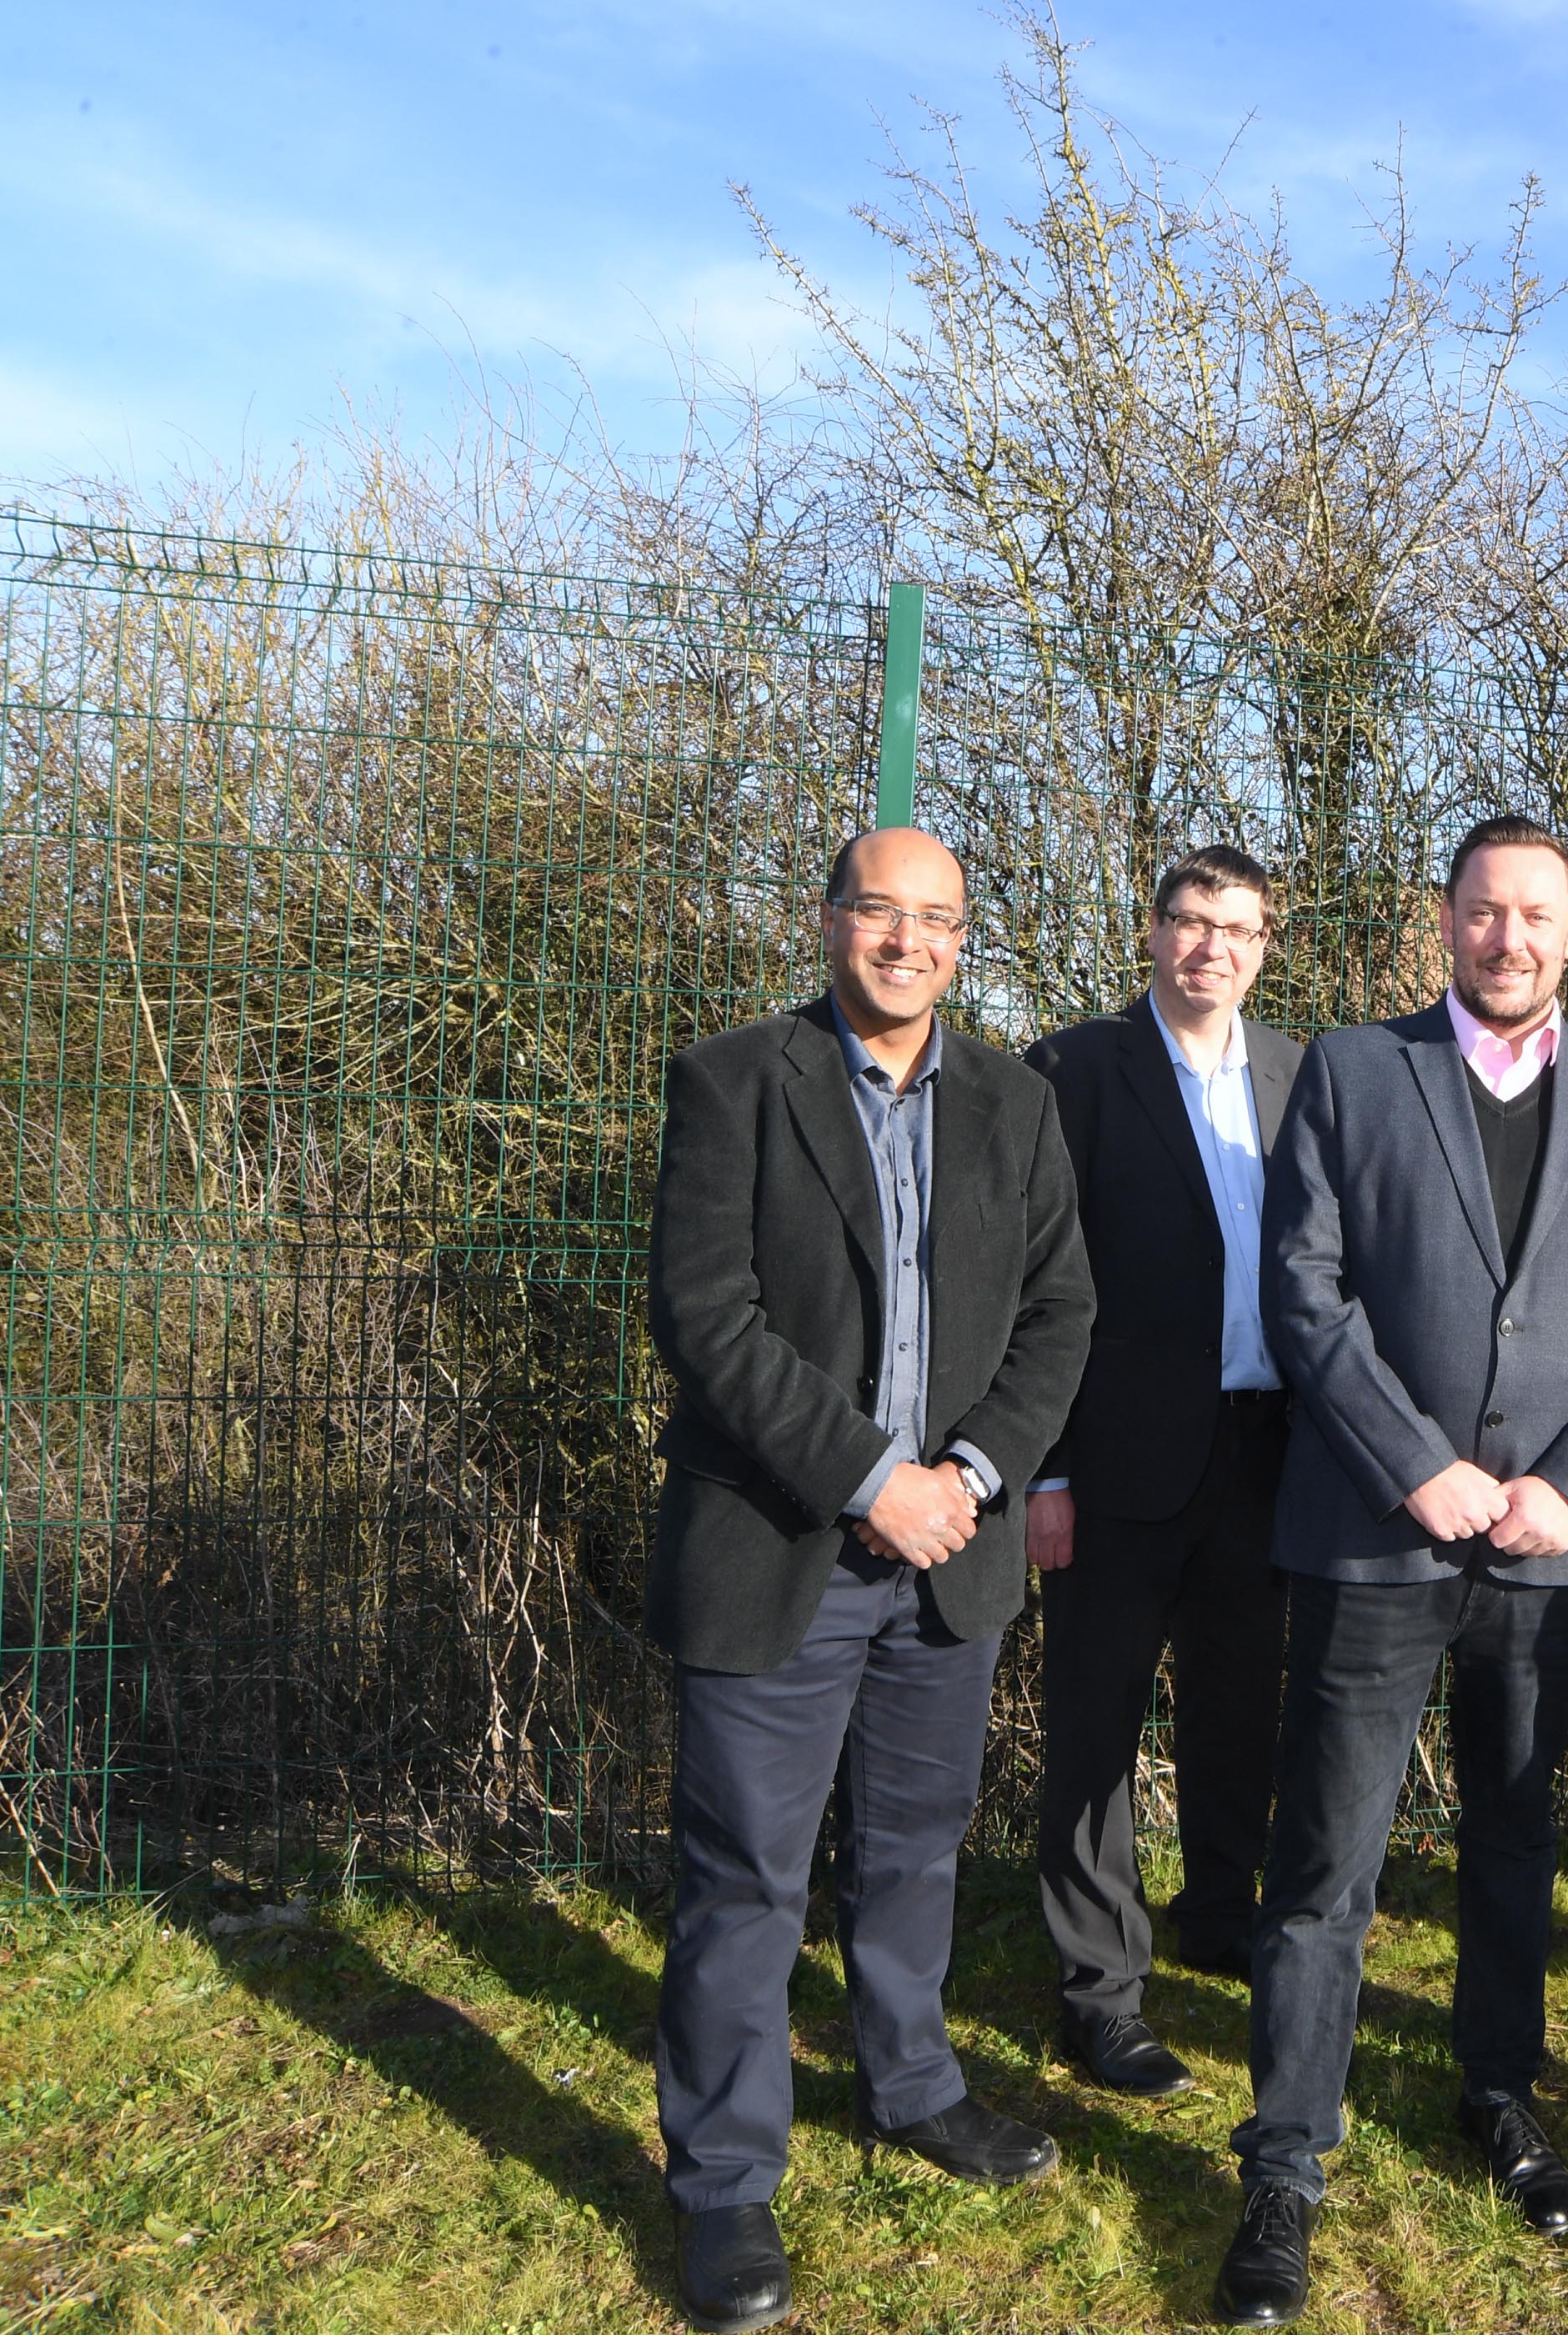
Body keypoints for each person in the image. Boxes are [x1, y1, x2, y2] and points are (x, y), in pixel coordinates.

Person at [1214, 815, 1568, 2327]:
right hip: (1379, 1530)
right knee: (1324, 1867)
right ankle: (1285, 2161)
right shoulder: (1354, 1076)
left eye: (1536, 915)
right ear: (1442, 922)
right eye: (1484, 913)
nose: (1509, 939)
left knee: (1512, 1840)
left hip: (1549, 1551)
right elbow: (1302, 1286)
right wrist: (1417, 1464)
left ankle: (1498, 2090)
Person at [642, 827, 1096, 2335]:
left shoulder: (1019, 1106)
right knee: (747, 1881)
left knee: (914, 1845)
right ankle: (722, 2182)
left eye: (938, 920)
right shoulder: (732, 1083)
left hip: (946, 1563)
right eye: (880, 912)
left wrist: (962, 1481)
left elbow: (1059, 1317)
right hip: (782, 1548)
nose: (908, 942)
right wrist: (868, 1479)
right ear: (831, 921)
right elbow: (707, 1319)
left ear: (965, 941)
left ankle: (911, 2086)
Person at [1019, 844, 1301, 2097]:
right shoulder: (1071, 1070)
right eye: (1191, 921)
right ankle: (1097, 1989)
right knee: (1096, 1723)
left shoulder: (1304, 1074)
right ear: (1150, 931)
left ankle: (1223, 1917)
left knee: (1244, 1707)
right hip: (1117, 1458)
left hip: (1268, 1449)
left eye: (1237, 928)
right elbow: (1040, 1284)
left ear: (1263, 944)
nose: (1211, 948)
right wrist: (1045, 1474)